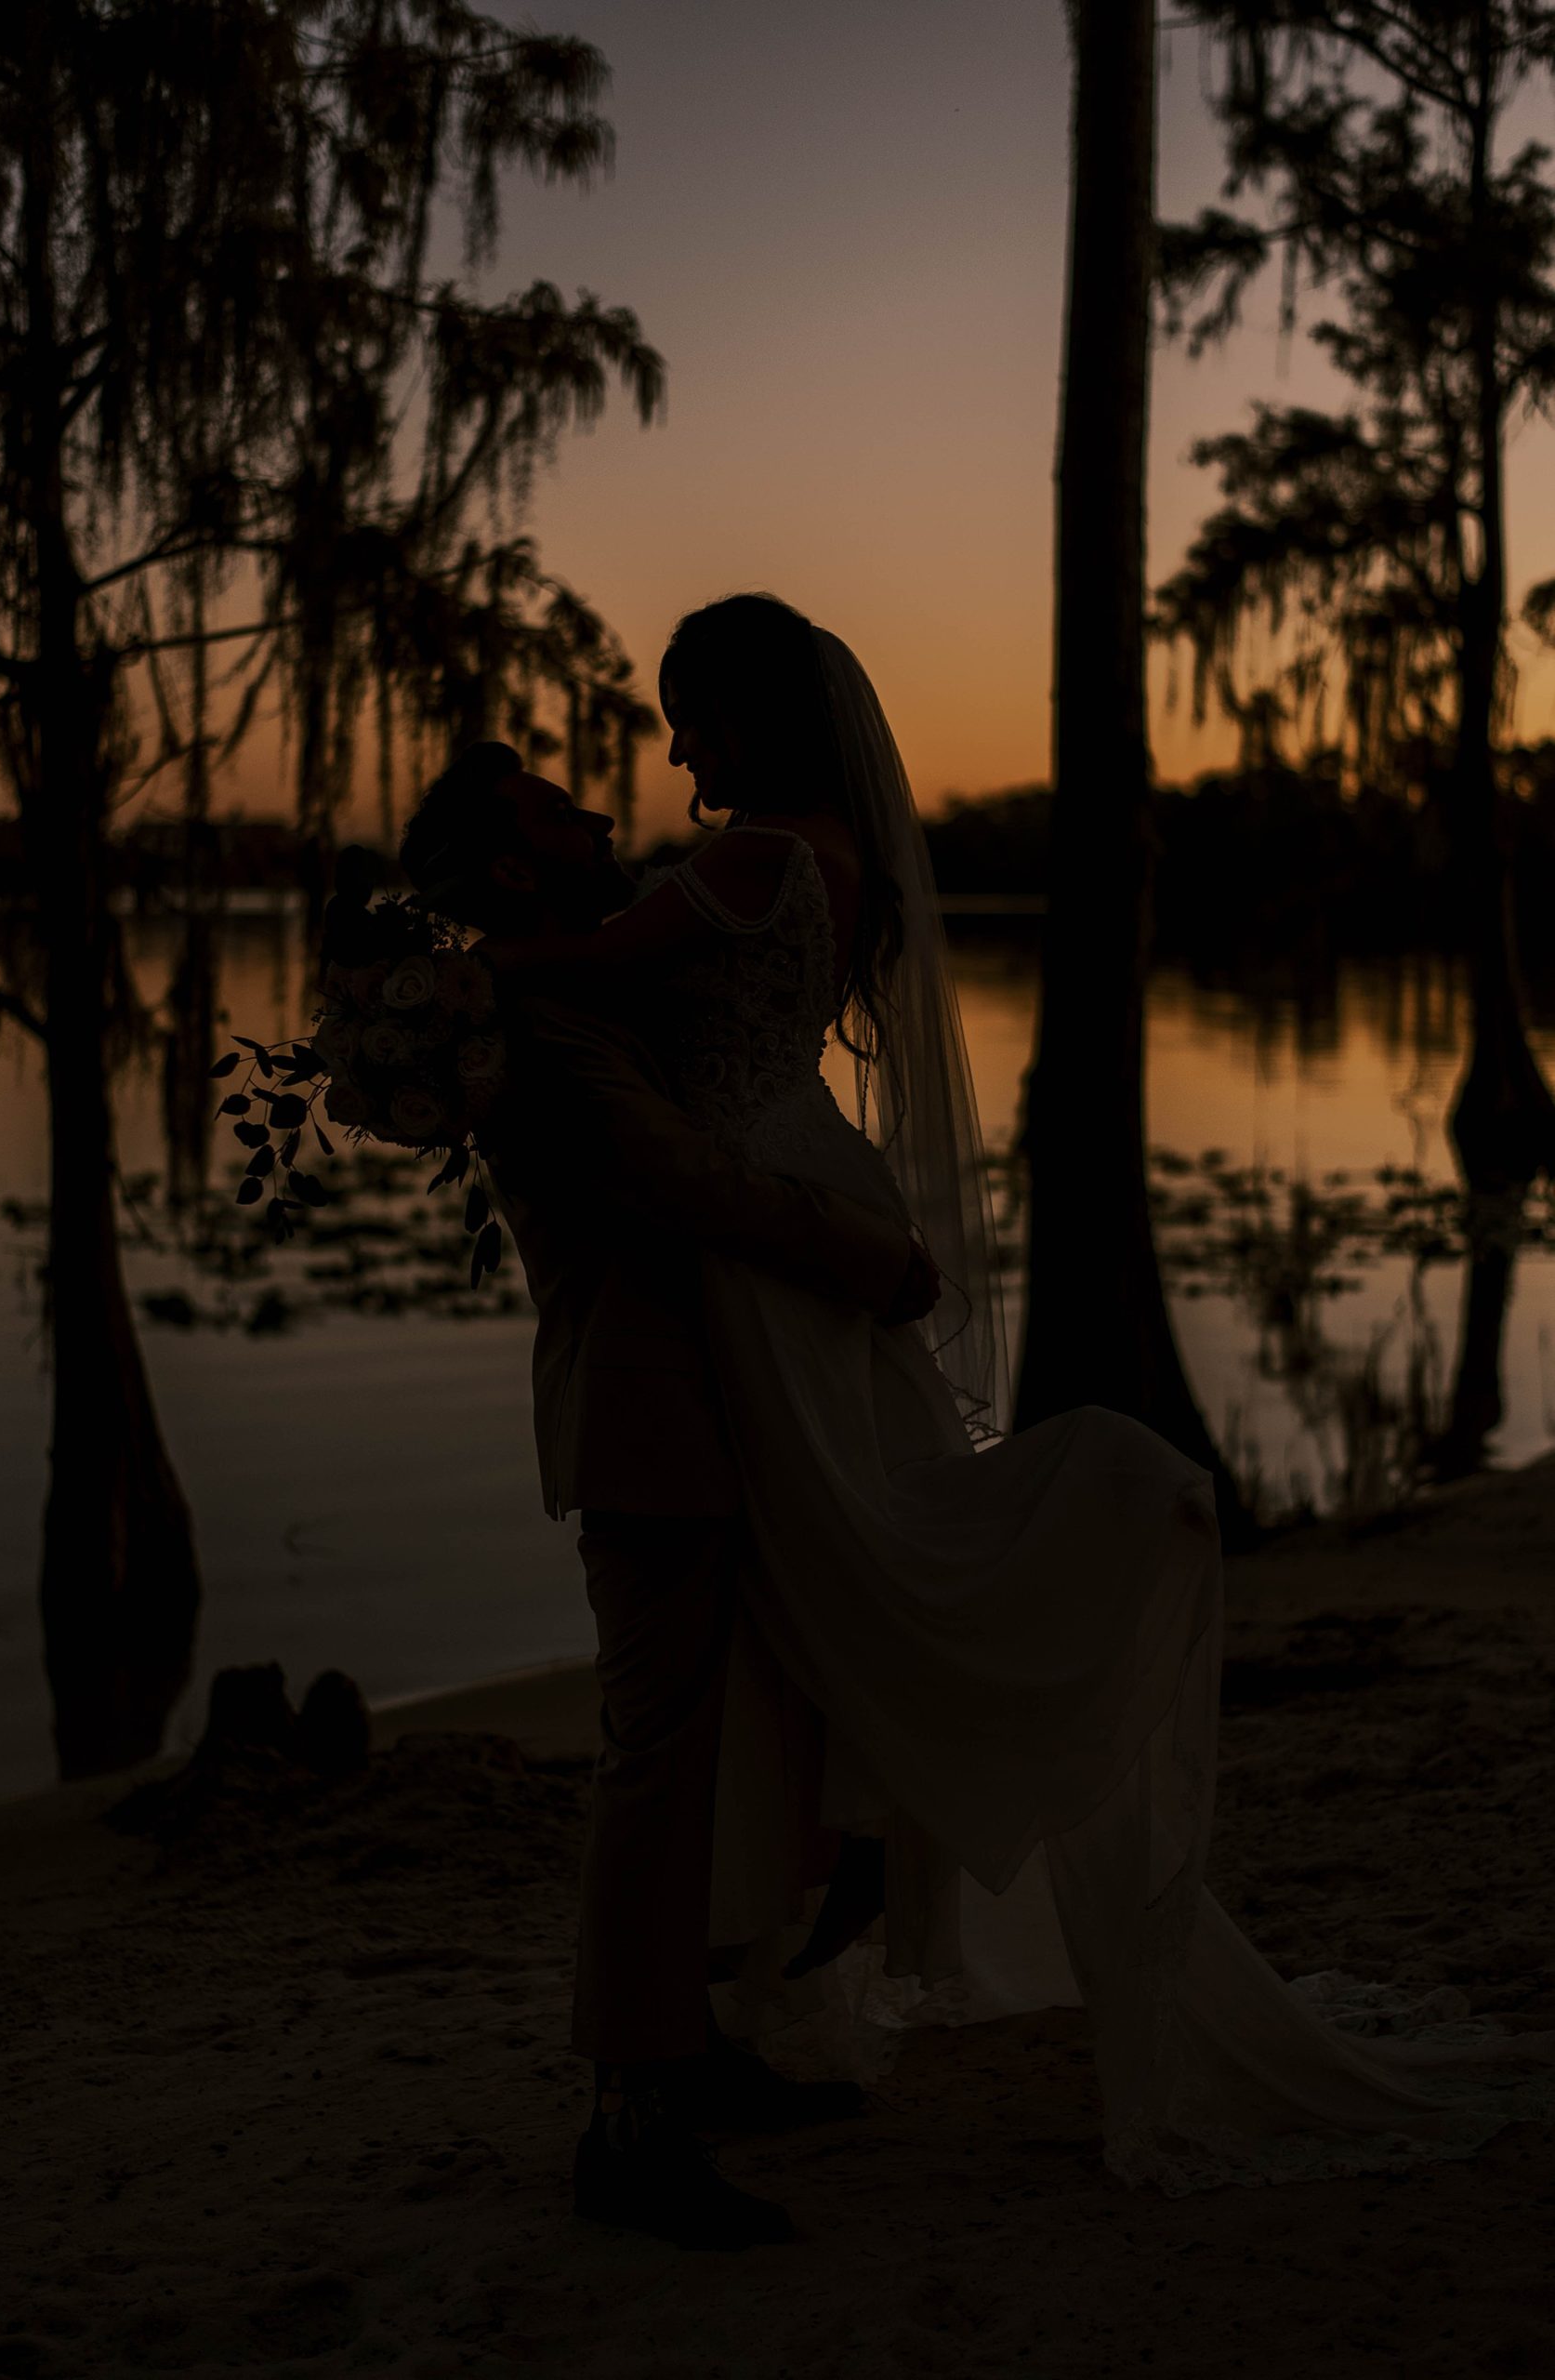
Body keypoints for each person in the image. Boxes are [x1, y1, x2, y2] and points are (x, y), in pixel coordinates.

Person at [468, 593, 1555, 2202]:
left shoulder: (741, 868)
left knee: (842, 1574)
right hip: (777, 1226)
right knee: (819, 1599)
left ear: (757, 712)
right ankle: (719, 2011)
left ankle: (692, 2035)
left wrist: (435, 973)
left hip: (776, 1238)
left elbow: (586, 993)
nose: (670, 744)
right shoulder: (801, 856)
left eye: (690, 707)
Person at [395, 741, 941, 2250]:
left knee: (714, 1742)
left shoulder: (573, 986)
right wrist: (875, 1261)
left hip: (707, 1407)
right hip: (648, 1427)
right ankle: (630, 2121)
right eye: (559, 813)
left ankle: (694, 2052)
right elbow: (678, 1177)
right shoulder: (549, 1021)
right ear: (517, 868)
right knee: (650, 1769)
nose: (596, 816)